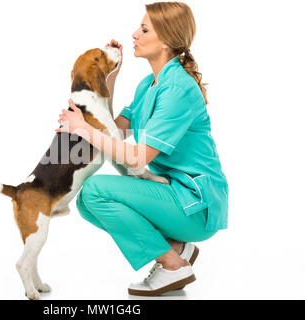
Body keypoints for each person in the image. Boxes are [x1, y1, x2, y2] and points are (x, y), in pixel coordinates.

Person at [56, 1, 228, 296]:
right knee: (87, 203)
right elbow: (117, 130)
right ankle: (175, 246)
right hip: (172, 194)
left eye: (144, 29)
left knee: (95, 190)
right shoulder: (150, 84)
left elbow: (136, 156)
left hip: (196, 205)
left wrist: (83, 128)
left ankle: (173, 265)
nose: (134, 34)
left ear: (165, 41)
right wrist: (110, 77)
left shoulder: (177, 89)